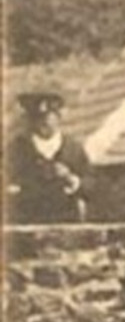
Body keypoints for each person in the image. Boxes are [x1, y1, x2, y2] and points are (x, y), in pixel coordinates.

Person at [7, 91, 90, 225]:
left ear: (58, 117)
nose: (44, 123)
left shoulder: (73, 149)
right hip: (27, 219)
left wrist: (72, 179)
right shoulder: (17, 149)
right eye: (38, 118)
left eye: (49, 117)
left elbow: (91, 184)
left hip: (66, 219)